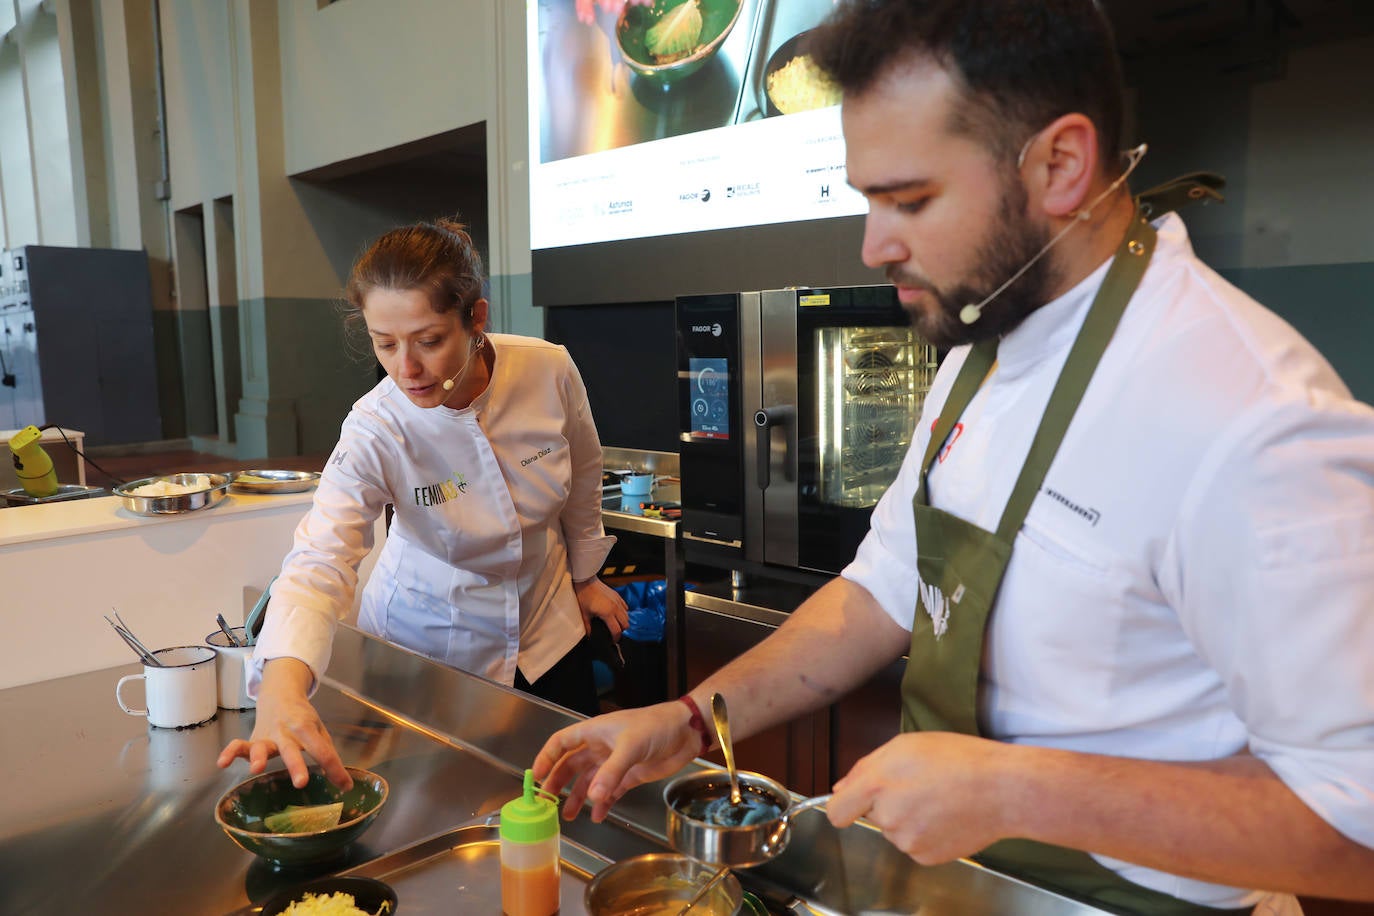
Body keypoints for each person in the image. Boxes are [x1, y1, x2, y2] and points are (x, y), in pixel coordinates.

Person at [533, 2, 1374, 913]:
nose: (872, 244)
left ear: (1060, 164)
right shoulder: (980, 352)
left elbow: (1357, 826)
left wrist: (1012, 790)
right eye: (867, 198)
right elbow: (884, 586)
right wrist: (693, 720)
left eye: (911, 199)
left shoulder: (1252, 418)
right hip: (957, 889)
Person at [218, 218, 628, 791]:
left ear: (476, 319)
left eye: (429, 340)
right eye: (384, 344)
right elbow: (321, 558)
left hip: (547, 628)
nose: (405, 368)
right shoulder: (376, 427)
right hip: (432, 645)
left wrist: (585, 576)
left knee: (564, 796)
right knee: (442, 799)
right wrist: (283, 687)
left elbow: (583, 472)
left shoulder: (546, 368)